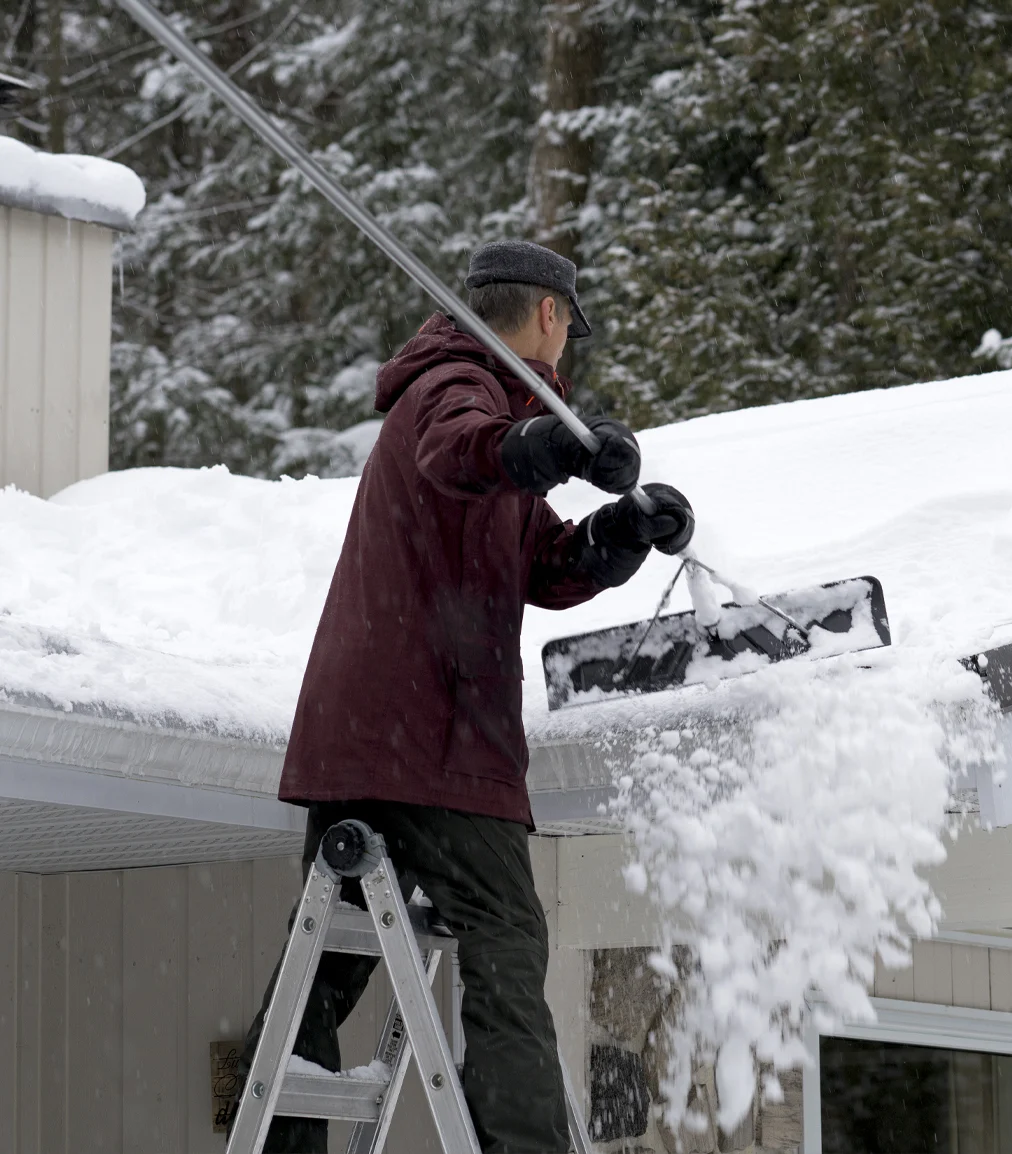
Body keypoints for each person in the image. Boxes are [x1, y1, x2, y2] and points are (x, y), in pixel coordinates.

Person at [236, 241, 693, 1153]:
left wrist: (625, 531)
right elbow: (467, 452)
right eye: (569, 332)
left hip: (373, 738)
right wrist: (552, 445)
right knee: (507, 941)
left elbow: (544, 563)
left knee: (325, 971)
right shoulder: (455, 385)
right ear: (551, 316)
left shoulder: (476, 407)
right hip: (432, 740)